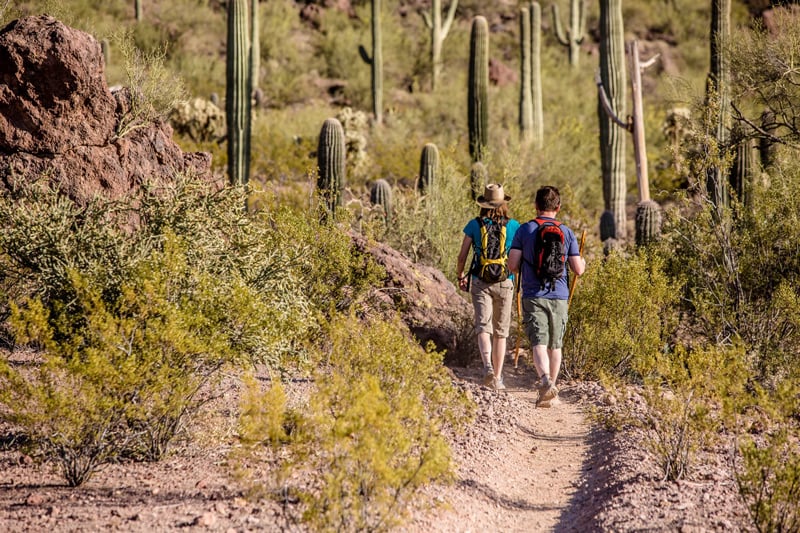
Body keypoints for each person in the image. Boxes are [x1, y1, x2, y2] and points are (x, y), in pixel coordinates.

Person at [507, 185, 585, 407]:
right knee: (555, 344)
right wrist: (584, 263)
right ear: (558, 207)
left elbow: (512, 265)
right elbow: (577, 269)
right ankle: (552, 390)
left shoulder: (525, 230)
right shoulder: (567, 232)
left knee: (538, 342)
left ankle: (545, 382)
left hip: (533, 293)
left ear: (536, 206)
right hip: (559, 295)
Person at [456, 184, 520, 390]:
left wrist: (460, 275)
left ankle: (487, 368)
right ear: (503, 204)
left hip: (480, 280)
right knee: (501, 332)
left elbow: (462, 255)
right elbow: (519, 255)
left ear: (483, 204)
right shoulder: (514, 226)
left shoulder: (474, 225)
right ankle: (498, 378)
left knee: (483, 326)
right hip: (505, 281)